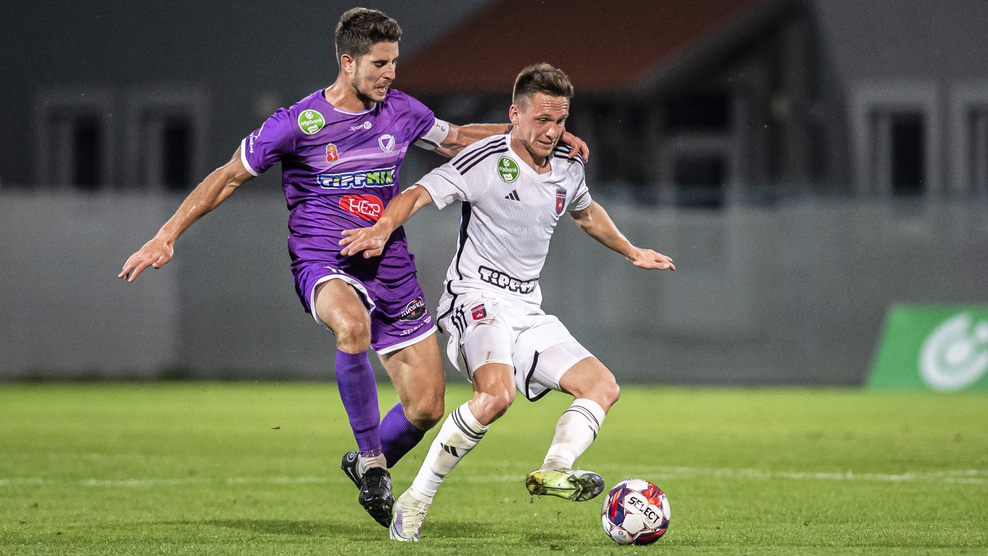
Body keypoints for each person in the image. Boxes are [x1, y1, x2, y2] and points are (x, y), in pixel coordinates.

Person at [118, 8, 588, 528]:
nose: (391, 73)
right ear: (348, 62)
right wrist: (166, 235)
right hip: (324, 258)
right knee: (352, 325)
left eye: (394, 62)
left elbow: (457, 138)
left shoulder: (401, 110)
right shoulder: (298, 122)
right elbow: (229, 176)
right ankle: (372, 463)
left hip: (390, 265)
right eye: (380, 64)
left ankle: (366, 462)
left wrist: (533, 130)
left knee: (428, 407)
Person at [339, 63, 675, 541]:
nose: (553, 131)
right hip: (473, 299)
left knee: (601, 386)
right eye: (542, 119)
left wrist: (631, 250)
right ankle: (415, 501)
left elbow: (585, 212)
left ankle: (555, 469)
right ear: (515, 115)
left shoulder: (568, 164)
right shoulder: (483, 160)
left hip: (526, 308)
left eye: (560, 121)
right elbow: (417, 193)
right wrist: (381, 227)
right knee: (496, 396)